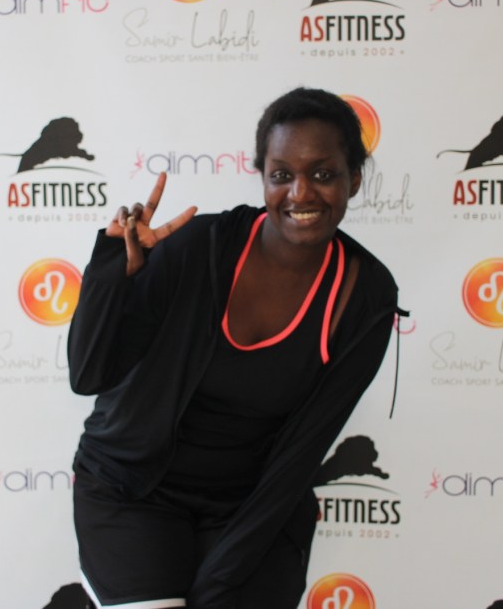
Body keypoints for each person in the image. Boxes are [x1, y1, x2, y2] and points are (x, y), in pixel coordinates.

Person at [68, 87, 400, 609]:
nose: (301, 193)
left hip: (249, 504)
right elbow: (89, 374)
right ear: (263, 177)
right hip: (133, 490)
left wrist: (218, 587)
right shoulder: (199, 246)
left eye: (323, 173)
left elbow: (303, 451)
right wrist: (113, 271)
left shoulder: (365, 296)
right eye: (282, 174)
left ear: (353, 178)